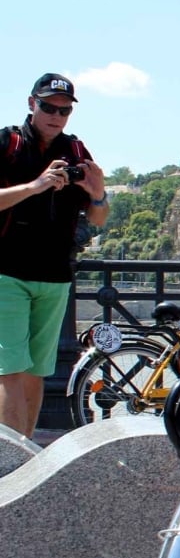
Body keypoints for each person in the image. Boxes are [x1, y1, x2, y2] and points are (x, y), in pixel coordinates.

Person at [0, 75, 109, 437]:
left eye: (64, 110)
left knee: (36, 373)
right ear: (32, 103)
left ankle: (25, 453)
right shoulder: (9, 143)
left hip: (55, 276)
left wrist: (98, 194)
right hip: (6, 272)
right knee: (10, 370)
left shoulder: (76, 152)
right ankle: (7, 465)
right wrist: (35, 186)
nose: (56, 116)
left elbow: (98, 219)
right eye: (48, 107)